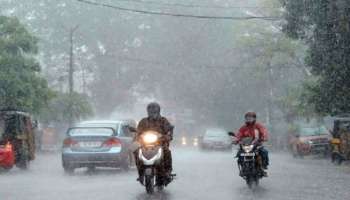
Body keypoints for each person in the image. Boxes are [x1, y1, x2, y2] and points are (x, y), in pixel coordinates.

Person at [134, 102, 174, 184]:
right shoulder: (143, 121)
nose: (152, 112)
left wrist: (167, 136)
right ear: (148, 111)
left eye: (154, 110)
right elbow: (138, 132)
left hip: (160, 144)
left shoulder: (163, 120)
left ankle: (167, 172)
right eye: (150, 110)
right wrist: (137, 135)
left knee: (167, 152)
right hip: (145, 145)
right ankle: (140, 172)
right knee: (136, 151)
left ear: (158, 111)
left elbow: (168, 132)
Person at [235, 112, 269, 176]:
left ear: (254, 118)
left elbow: (264, 131)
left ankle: (263, 167)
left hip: (257, 144)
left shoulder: (258, 126)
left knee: (264, 152)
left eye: (250, 118)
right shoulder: (243, 128)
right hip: (246, 145)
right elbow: (239, 134)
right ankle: (242, 168)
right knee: (239, 153)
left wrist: (264, 137)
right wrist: (236, 140)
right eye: (247, 118)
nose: (249, 119)